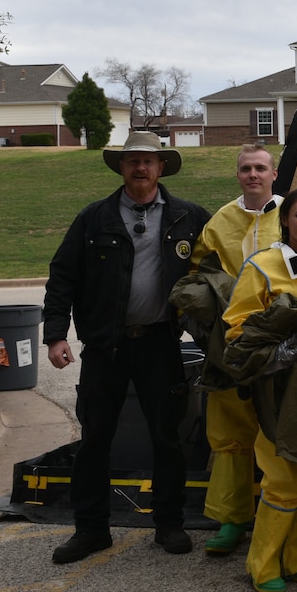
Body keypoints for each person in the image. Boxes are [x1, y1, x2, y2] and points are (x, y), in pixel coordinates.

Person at [43, 131, 210, 564]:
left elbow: (217, 270)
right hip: (105, 348)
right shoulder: (94, 219)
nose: (140, 167)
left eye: (148, 161)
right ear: (121, 167)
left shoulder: (188, 217)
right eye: (132, 160)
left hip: (160, 344)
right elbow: (63, 276)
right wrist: (56, 334)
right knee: (95, 438)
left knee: (166, 438)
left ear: (161, 168)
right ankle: (92, 530)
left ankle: (168, 525)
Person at [219, 188, 297, 592]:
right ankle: (263, 563)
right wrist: (285, 352)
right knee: (282, 474)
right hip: (282, 387)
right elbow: (237, 329)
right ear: (285, 220)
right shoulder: (264, 266)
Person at [189, 143, 283, 557]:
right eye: (245, 169)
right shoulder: (219, 223)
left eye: (260, 168)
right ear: (237, 175)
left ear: (274, 174)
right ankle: (232, 520)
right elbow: (198, 274)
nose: (253, 175)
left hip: (281, 342)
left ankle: (283, 516)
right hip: (230, 342)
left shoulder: (294, 212)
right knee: (229, 434)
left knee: (280, 431)